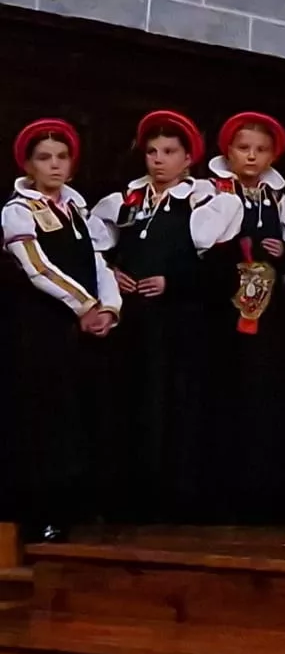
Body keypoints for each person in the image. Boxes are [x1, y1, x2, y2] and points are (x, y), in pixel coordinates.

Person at [90, 111, 223, 524]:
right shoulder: (124, 202)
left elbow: (218, 267)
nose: (159, 160)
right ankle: (128, 495)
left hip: (180, 323)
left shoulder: (203, 202)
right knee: (132, 403)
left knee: (176, 405)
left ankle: (175, 497)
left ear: (188, 159)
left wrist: (174, 282)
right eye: (152, 152)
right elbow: (94, 251)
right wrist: (111, 273)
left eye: (169, 152)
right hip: (134, 324)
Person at [2, 120, 120, 541]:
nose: (54, 165)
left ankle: (77, 504)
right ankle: (40, 512)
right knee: (44, 417)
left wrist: (109, 307)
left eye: (62, 157)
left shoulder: (75, 209)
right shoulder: (19, 209)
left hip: (78, 331)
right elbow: (37, 267)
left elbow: (98, 263)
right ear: (29, 165)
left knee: (80, 413)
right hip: (41, 328)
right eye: (44, 158)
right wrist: (83, 305)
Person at [193, 112, 285, 525]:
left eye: (261, 150)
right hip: (223, 311)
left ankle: (264, 494)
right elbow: (200, 244)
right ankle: (222, 492)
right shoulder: (212, 192)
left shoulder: (280, 199)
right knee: (226, 394)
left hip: (269, 313)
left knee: (265, 397)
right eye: (244, 148)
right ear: (228, 151)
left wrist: (283, 253)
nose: (252, 157)